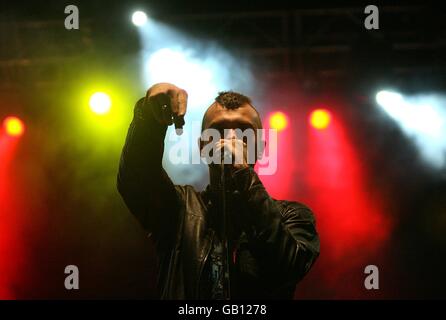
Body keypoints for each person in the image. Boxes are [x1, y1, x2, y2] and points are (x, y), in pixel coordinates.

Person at [117, 82, 320, 299]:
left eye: (243, 132)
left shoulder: (291, 216)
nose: (231, 138)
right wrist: (148, 118)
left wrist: (243, 174)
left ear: (260, 148)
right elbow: (136, 178)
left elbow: (290, 267)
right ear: (203, 146)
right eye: (219, 131)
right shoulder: (180, 210)